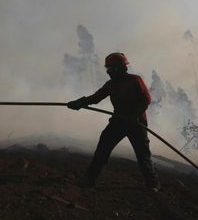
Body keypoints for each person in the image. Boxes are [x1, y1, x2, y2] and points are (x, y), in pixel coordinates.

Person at [67, 52, 160, 191]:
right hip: (118, 122)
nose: (108, 72)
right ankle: (89, 180)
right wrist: (79, 103)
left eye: (110, 69)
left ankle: (153, 184)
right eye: (108, 69)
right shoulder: (111, 84)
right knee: (102, 151)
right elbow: (96, 97)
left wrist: (134, 116)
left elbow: (146, 100)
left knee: (143, 155)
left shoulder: (135, 80)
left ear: (118, 68)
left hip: (137, 124)